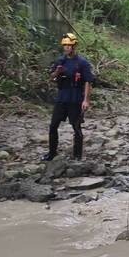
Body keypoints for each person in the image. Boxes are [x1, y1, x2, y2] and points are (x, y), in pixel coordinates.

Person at [43, 33, 95, 161]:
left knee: (76, 126)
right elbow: (51, 76)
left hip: (75, 97)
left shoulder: (82, 62)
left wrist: (86, 100)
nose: (66, 48)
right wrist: (58, 72)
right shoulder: (60, 60)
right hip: (62, 97)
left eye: (69, 45)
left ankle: (77, 156)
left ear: (74, 46)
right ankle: (52, 153)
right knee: (53, 125)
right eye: (65, 45)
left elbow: (88, 81)